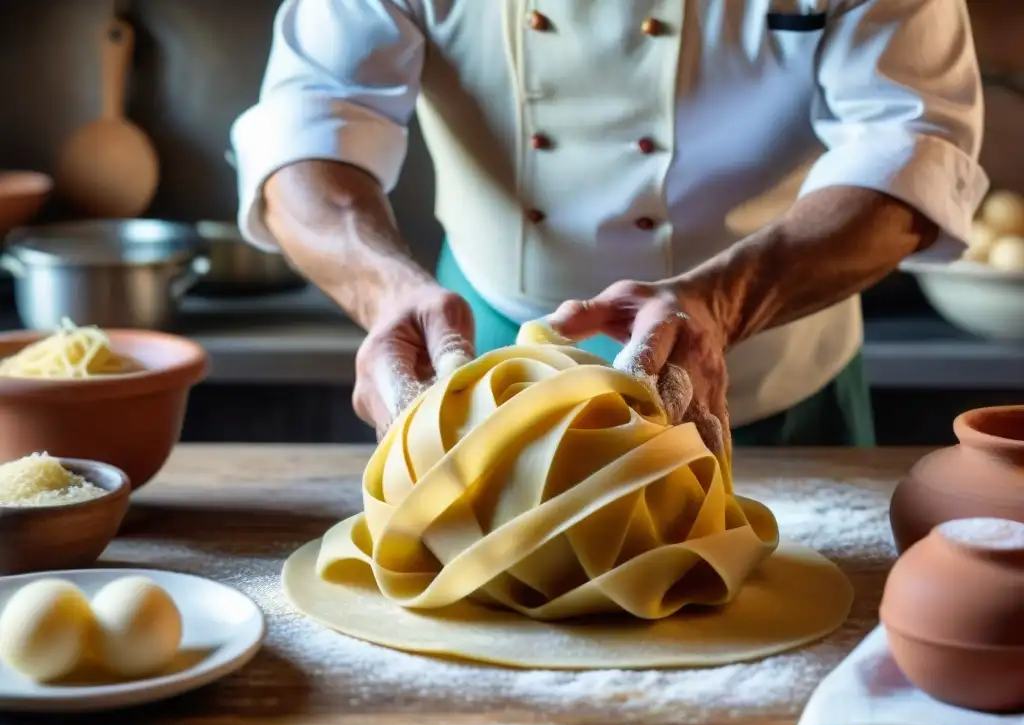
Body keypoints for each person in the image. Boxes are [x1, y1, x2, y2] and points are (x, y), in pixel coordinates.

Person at [231, 0, 986, 458]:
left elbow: (915, 147)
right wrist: (384, 291)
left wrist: (721, 306)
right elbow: (310, 123)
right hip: (482, 363)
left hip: (773, 377)